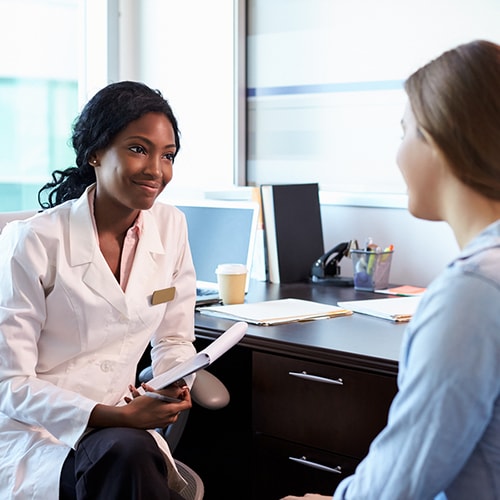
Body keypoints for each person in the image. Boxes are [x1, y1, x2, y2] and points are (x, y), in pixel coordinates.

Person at [282, 39, 500, 500]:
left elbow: (404, 479)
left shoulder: (472, 291)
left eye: (404, 131)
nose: (398, 153)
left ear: (442, 139)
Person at [0, 81, 199, 500]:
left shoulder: (171, 226)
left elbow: (175, 338)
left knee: (127, 455)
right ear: (95, 152)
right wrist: (118, 417)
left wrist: (171, 381)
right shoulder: (33, 241)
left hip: (123, 431)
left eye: (168, 156)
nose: (156, 170)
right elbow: (9, 383)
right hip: (36, 432)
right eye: (138, 149)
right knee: (127, 455)